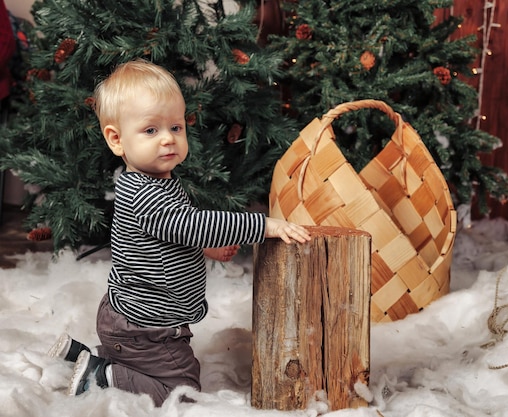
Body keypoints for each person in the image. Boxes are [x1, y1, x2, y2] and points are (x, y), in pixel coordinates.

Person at [48, 59, 311, 406]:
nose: (168, 139)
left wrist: (206, 250)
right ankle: (102, 374)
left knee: (161, 370)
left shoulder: (158, 183)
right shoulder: (145, 194)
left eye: (175, 127)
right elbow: (195, 224)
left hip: (134, 319)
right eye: (151, 131)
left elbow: (171, 237)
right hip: (143, 327)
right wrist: (264, 225)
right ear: (116, 140)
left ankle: (84, 355)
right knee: (182, 391)